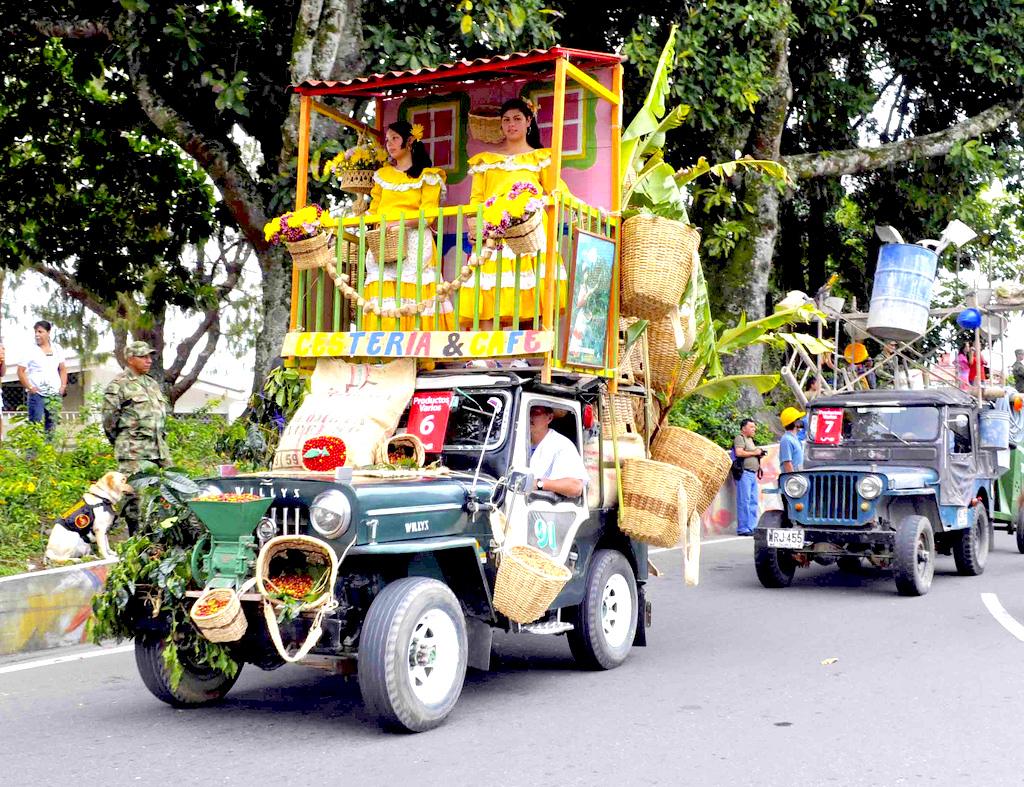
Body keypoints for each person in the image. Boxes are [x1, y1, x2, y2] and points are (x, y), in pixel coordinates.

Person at [460, 98, 570, 329]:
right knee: (489, 290)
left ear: (529, 121)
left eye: (517, 119)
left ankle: (525, 355)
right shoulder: (486, 161)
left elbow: (559, 192)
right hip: (493, 233)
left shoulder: (540, 158)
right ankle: (487, 355)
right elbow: (476, 201)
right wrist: (474, 228)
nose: (511, 124)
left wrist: (597, 212)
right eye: (506, 120)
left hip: (529, 233)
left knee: (529, 292)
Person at [364, 121, 453, 331]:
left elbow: (428, 215)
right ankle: (384, 353)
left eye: (394, 138)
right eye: (387, 140)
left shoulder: (428, 176)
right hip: (384, 242)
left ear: (410, 140)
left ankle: (419, 355)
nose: (389, 144)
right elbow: (373, 211)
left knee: (415, 294)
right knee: (383, 295)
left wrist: (396, 223)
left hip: (415, 241)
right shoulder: (383, 176)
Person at [102, 341, 171, 534]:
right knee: (133, 495)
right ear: (130, 359)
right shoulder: (119, 385)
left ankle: (167, 532)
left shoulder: (152, 383)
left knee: (174, 483)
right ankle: (134, 535)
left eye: (150, 356)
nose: (149, 361)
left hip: (158, 447)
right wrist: (121, 442)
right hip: (132, 448)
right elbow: (109, 420)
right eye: (143, 357)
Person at [528, 404, 588, 500]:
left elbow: (576, 486)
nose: (529, 416)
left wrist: (539, 484)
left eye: (534, 412)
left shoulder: (561, 444)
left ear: (550, 418)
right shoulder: (516, 442)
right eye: (527, 411)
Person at [17, 320, 67, 434]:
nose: (37, 335)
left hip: (54, 393)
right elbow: (20, 371)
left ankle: (49, 450)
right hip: (37, 394)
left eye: (40, 332)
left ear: (48, 333)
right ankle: (33, 452)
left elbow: (63, 369)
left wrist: (63, 386)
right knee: (35, 425)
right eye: (36, 332)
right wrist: (30, 388)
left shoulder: (57, 348)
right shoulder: (30, 350)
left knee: (51, 426)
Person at [733, 418, 765, 536]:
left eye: (754, 427)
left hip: (752, 473)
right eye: (751, 427)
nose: (754, 429)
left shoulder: (750, 440)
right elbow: (739, 453)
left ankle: (752, 526)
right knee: (744, 501)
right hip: (744, 473)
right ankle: (743, 528)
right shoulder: (740, 438)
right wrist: (755, 453)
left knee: (753, 501)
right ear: (744, 428)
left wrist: (759, 454)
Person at [779, 407, 806, 473]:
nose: (801, 421)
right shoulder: (787, 440)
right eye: (799, 419)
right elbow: (787, 463)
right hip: (793, 478)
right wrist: (793, 477)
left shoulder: (795, 438)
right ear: (794, 423)